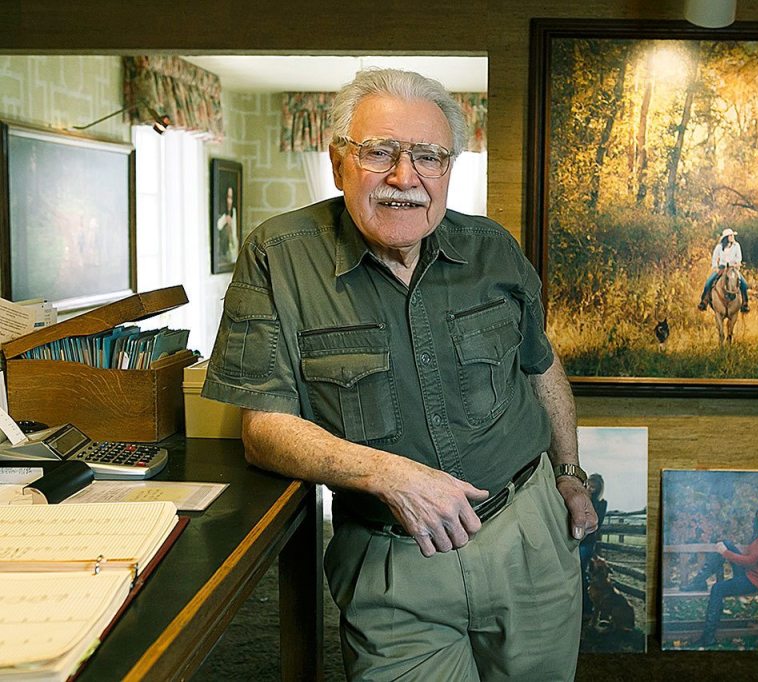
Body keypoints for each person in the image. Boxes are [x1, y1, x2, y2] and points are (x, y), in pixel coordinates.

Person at [201, 68, 597, 681]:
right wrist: (387, 475)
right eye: (379, 151)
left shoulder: (493, 249)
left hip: (528, 537)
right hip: (391, 562)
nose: (404, 177)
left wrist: (568, 473)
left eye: (428, 157)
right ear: (339, 163)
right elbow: (263, 428)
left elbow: (541, 368)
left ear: (448, 170)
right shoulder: (277, 257)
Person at [684, 504, 758, 648]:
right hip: (750, 573)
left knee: (717, 588)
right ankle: (698, 582)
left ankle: (708, 637)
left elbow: (751, 560)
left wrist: (725, 553)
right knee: (726, 543)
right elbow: (751, 559)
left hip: (756, 580)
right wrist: (725, 549)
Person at [698, 228, 749, 313]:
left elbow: (739, 258)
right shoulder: (719, 247)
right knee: (708, 282)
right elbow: (714, 258)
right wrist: (716, 268)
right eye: (731, 235)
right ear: (726, 237)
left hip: (733, 268)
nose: (733, 237)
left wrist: (736, 264)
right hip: (722, 268)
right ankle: (704, 301)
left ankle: (745, 303)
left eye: (733, 235)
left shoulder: (737, 246)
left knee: (744, 284)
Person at [580, 473, 608, 622]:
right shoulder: (581, 499)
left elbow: (596, 522)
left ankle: (587, 607)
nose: (590, 489)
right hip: (576, 540)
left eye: (594, 487)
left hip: (587, 542)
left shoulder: (601, 504)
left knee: (581, 571)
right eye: (589, 485)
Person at [216, 184, 239, 266]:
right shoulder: (220, 216)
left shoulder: (234, 213)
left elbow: (234, 237)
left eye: (231, 198)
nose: (229, 201)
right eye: (228, 197)